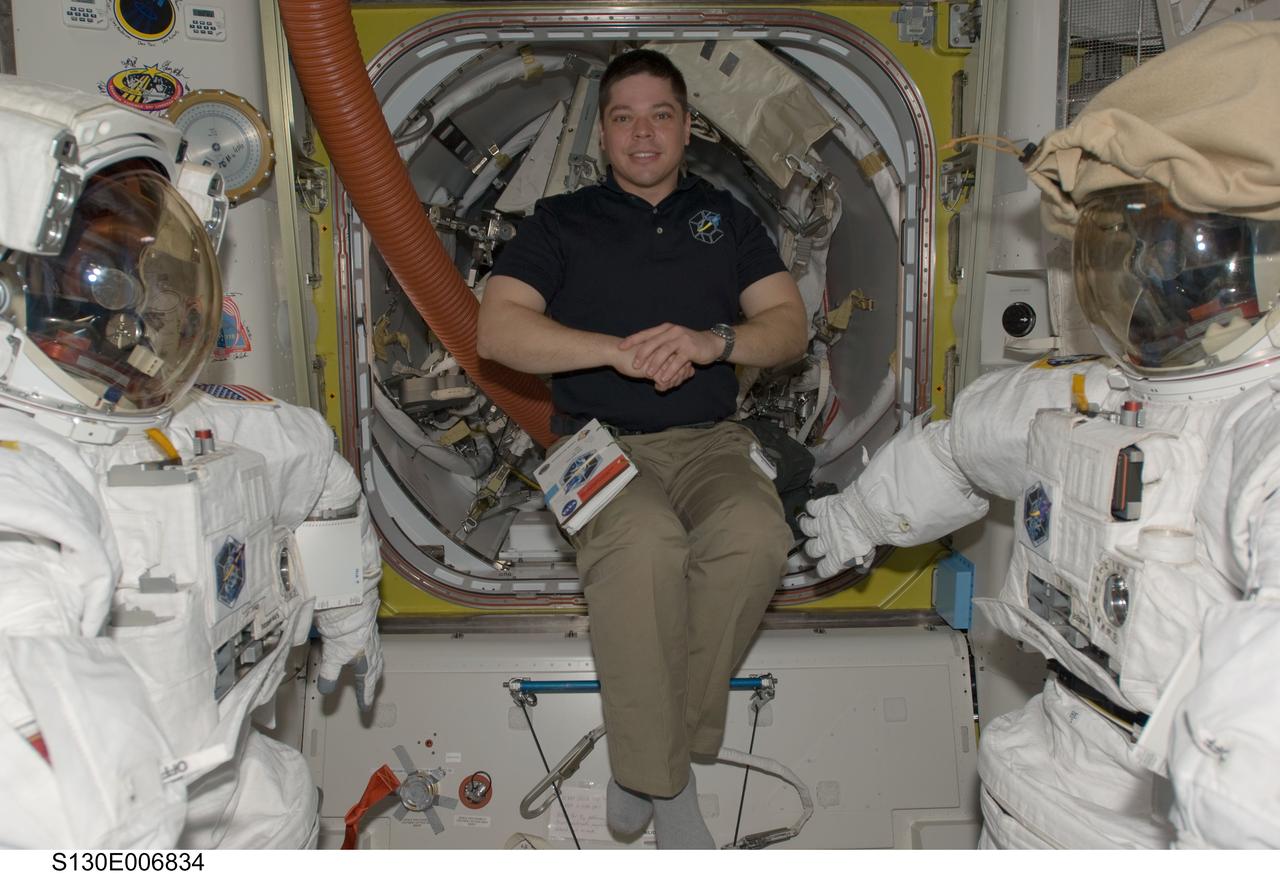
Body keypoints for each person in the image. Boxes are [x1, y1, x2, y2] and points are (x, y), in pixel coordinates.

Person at [800, 21, 1280, 848]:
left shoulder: (1255, 430)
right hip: (1038, 775)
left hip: (1152, 822)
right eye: (1127, 246)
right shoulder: (1095, 398)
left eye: (1178, 250)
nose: (1152, 281)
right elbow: (959, 446)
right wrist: (857, 519)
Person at [0, 75, 382, 847]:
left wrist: (346, 614)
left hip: (235, 778)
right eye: (91, 269)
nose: (122, 298)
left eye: (136, 263)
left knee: (279, 802)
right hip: (140, 824)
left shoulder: (199, 423)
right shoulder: (27, 479)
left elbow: (321, 482)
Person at [477, 48, 807, 848]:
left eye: (660, 114)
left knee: (755, 536)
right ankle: (665, 781)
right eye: (624, 116)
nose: (643, 132)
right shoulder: (560, 223)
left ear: (689, 127)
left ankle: (650, 762)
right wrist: (614, 351)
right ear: (604, 132)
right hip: (597, 447)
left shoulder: (727, 220)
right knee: (646, 544)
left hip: (710, 441)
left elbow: (787, 326)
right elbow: (498, 329)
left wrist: (712, 340)